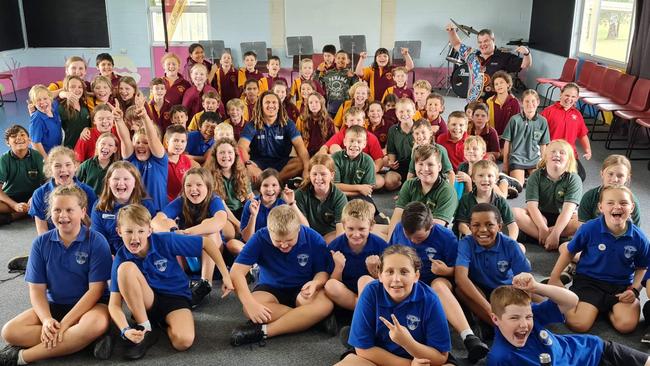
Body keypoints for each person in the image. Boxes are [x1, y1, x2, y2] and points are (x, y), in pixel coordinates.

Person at [0, 185, 113, 364]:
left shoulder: (97, 241)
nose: (63, 215)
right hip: (55, 305)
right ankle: (83, 341)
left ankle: (22, 357)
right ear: (50, 213)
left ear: (83, 211)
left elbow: (96, 291)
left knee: (94, 325)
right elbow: (36, 290)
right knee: (9, 332)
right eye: (57, 210)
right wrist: (46, 320)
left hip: (92, 306)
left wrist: (66, 323)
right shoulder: (40, 243)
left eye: (69, 210)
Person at [108, 203, 233, 360]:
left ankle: (160, 325)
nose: (134, 237)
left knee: (183, 341)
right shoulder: (121, 257)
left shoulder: (165, 240)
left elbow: (206, 243)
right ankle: (145, 326)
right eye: (128, 231)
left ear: (149, 231)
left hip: (175, 297)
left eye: (140, 231)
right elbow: (113, 304)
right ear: (119, 232)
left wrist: (225, 275)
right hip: (147, 301)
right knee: (125, 268)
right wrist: (124, 330)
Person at [389, 202, 490, 362]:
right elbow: (390, 256)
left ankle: (469, 337)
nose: (414, 242)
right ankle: (367, 332)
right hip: (408, 281)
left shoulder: (445, 236)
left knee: (439, 285)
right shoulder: (398, 229)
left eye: (419, 238)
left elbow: (459, 269)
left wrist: (446, 271)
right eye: (409, 238)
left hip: (437, 279)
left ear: (431, 227)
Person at [488, 273, 650, 366]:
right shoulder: (500, 357)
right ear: (496, 319)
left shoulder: (533, 315)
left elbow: (571, 301)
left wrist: (537, 287)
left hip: (594, 351)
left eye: (528, 316)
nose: (524, 324)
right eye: (514, 318)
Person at [548, 185, 649, 334]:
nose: (617, 206)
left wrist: (634, 290)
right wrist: (555, 277)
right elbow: (569, 251)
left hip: (620, 286)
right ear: (601, 207)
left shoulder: (639, 238)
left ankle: (601, 309)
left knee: (626, 326)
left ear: (632, 207)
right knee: (578, 324)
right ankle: (567, 299)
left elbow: (642, 267)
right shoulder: (589, 228)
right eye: (610, 203)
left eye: (623, 203)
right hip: (589, 282)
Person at [229, 205, 335, 346]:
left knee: (325, 305)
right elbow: (236, 272)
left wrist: (315, 283)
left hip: (303, 288)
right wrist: (249, 303)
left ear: (298, 229)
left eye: (289, 240)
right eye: (278, 241)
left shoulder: (313, 238)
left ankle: (264, 331)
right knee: (249, 309)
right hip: (271, 288)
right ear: (269, 231)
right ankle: (311, 319)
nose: (284, 245)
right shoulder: (260, 237)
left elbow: (323, 272)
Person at [336, 245, 455, 366]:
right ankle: (355, 333)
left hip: (422, 358)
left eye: (404, 272)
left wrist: (408, 343)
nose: (396, 279)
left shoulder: (430, 298)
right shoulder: (370, 292)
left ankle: (354, 333)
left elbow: (440, 357)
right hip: (379, 357)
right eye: (390, 272)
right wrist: (409, 364)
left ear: (416, 276)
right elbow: (362, 349)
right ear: (380, 276)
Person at [152, 167, 228, 307]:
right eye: (189, 185)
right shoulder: (182, 200)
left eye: (199, 185)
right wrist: (174, 230)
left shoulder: (214, 200)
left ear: (208, 187)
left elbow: (220, 221)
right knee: (165, 229)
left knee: (209, 230)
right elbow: (156, 221)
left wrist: (187, 233)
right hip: (188, 257)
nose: (193, 189)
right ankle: (179, 281)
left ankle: (205, 283)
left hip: (211, 257)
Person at [455, 203, 531, 327]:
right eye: (476, 225)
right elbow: (460, 278)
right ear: (469, 227)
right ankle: (497, 325)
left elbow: (525, 279)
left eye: (489, 224)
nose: (483, 229)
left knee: (534, 299)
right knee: (460, 290)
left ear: (499, 227)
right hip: (480, 291)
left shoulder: (510, 245)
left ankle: (495, 324)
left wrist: (522, 308)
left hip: (505, 289)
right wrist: (488, 308)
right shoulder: (465, 244)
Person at [513, 139, 582, 251]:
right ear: (545, 157)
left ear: (569, 159)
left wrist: (556, 232)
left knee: (584, 221)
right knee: (515, 213)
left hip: (563, 219)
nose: (557, 154)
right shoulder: (535, 176)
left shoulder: (574, 179)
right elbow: (532, 206)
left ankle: (540, 236)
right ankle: (553, 239)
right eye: (553, 151)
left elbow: (567, 211)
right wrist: (542, 227)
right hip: (539, 217)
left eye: (562, 152)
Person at [325, 199, 388, 311]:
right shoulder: (335, 247)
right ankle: (363, 311)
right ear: (343, 225)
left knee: (365, 280)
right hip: (347, 295)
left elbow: (388, 282)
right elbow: (334, 280)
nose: (356, 234)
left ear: (371, 226)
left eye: (361, 229)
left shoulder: (381, 246)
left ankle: (360, 314)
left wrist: (374, 271)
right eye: (350, 228)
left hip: (371, 293)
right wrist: (339, 267)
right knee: (330, 285)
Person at [238, 90, 310, 184]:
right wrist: (249, 165)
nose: (271, 105)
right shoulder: (252, 125)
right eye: (267, 102)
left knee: (300, 162)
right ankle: (271, 183)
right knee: (243, 165)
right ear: (261, 106)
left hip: (282, 164)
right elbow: (241, 147)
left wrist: (306, 169)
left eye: (274, 102)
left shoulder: (288, 124)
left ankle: (274, 182)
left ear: (279, 106)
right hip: (258, 163)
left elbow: (301, 148)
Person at [388, 144, 457, 239]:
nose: (425, 169)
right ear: (415, 166)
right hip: (410, 229)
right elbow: (397, 218)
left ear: (439, 167)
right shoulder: (409, 185)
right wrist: (391, 244)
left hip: (436, 237)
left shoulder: (447, 191)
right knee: (373, 232)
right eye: (420, 164)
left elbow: (435, 229)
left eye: (430, 164)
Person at [446, 25, 531, 99]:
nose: (483, 44)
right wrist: (451, 31)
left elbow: (525, 65)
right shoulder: (472, 55)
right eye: (480, 42)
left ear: (493, 40)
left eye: (486, 41)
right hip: (475, 102)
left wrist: (527, 53)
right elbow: (457, 44)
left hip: (497, 102)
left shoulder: (504, 57)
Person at [91, 161, 157, 254]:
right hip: (110, 256)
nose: (121, 183)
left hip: (139, 254)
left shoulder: (146, 205)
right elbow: (98, 240)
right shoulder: (99, 206)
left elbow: (152, 237)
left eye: (126, 179)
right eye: (116, 179)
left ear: (135, 183)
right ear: (108, 182)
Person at [29, 146, 97, 235]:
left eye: (68, 165)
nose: (63, 169)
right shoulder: (39, 194)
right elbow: (42, 230)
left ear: (76, 166)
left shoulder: (88, 192)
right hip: (53, 242)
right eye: (57, 166)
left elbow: (92, 227)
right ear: (50, 169)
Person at [115, 100, 168, 212]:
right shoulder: (131, 159)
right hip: (135, 213)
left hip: (158, 214)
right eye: (137, 142)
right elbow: (124, 139)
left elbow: (152, 138)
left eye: (145, 143)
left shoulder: (159, 160)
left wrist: (144, 116)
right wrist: (119, 120)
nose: (140, 146)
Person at [204, 138, 251, 252]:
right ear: (216, 156)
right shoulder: (210, 176)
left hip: (240, 211)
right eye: (222, 153)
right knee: (230, 233)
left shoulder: (240, 172)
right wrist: (238, 224)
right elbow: (221, 205)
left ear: (235, 155)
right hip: (222, 213)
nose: (226, 156)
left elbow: (249, 197)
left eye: (229, 152)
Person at [455, 160, 519, 243]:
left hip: (494, 240)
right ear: (473, 179)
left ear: (496, 180)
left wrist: (512, 241)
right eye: (481, 175)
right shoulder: (466, 199)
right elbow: (461, 225)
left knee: (520, 247)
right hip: (472, 240)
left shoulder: (500, 201)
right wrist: (473, 235)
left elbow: (512, 225)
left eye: (490, 176)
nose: (485, 179)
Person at [541, 82, 591, 181]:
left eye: (573, 96)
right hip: (552, 152)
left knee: (580, 176)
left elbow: (582, 134)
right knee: (553, 174)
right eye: (567, 95)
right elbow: (538, 134)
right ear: (561, 94)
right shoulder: (548, 111)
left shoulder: (577, 115)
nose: (569, 99)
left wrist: (588, 150)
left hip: (569, 154)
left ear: (577, 98)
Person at [501, 89, 549, 190]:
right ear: (522, 103)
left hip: (534, 159)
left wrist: (543, 163)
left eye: (533, 101)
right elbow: (507, 142)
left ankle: (528, 177)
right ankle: (519, 178)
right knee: (518, 186)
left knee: (538, 186)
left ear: (538, 102)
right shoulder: (514, 120)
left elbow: (543, 144)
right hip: (517, 158)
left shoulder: (543, 121)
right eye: (527, 101)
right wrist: (505, 165)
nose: (530, 104)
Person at [296, 154, 348, 243]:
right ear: (309, 174)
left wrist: (338, 248)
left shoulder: (339, 197)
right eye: (314, 174)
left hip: (330, 236)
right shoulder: (300, 194)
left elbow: (340, 231)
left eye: (323, 174)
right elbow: (304, 227)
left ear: (332, 175)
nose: (318, 178)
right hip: (308, 234)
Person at [0, 125, 46, 226]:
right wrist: (15, 205)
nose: (19, 138)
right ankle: (24, 212)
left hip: (33, 196)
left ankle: (14, 215)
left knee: (52, 198)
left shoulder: (37, 156)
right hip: (11, 198)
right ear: (7, 143)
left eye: (22, 134)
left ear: (29, 140)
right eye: (13, 136)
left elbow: (47, 181)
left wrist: (34, 197)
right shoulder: (4, 159)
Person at [239, 168, 287, 242]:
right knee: (232, 244)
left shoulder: (284, 205)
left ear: (280, 188)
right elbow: (247, 239)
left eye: (274, 185)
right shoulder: (251, 204)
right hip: (253, 244)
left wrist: (292, 204)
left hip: (275, 245)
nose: (269, 189)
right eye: (265, 185)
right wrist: (253, 216)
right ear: (260, 188)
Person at [384, 98, 416, 192]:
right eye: (401, 111)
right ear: (396, 114)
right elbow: (391, 150)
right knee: (389, 182)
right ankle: (405, 184)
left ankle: (408, 187)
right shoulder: (393, 130)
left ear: (414, 111)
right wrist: (392, 162)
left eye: (408, 111)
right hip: (400, 165)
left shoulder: (419, 128)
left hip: (416, 165)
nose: (404, 114)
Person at [164, 125, 199, 202]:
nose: (179, 144)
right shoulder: (161, 160)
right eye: (176, 140)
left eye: (182, 141)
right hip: (165, 203)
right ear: (167, 142)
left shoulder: (186, 160)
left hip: (184, 202)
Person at [28, 85, 62, 159]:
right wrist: (45, 158)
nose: (42, 102)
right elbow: (35, 142)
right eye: (38, 100)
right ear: (33, 103)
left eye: (45, 98)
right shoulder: (37, 119)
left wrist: (64, 89)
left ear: (50, 98)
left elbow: (53, 94)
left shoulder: (53, 107)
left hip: (56, 151)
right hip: (46, 156)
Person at [319, 50, 357, 116]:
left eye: (343, 58)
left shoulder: (350, 74)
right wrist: (317, 72)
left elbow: (356, 89)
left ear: (348, 61)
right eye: (338, 58)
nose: (340, 60)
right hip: (331, 108)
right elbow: (316, 84)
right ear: (335, 60)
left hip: (346, 108)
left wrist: (354, 77)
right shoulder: (328, 73)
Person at [58, 76, 92, 149]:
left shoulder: (85, 104)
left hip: (87, 146)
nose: (77, 90)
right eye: (73, 87)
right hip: (71, 148)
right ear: (66, 89)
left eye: (80, 87)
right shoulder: (61, 108)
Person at [485, 71, 521, 136]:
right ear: (494, 88)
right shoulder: (489, 101)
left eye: (501, 82)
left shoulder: (514, 102)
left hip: (509, 138)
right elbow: (486, 122)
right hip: (493, 137)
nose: (499, 85)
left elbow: (517, 123)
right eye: (496, 84)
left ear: (508, 84)